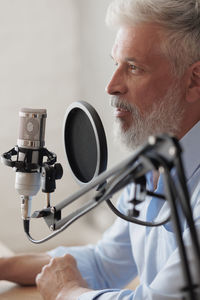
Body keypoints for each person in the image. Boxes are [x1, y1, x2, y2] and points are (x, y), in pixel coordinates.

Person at [1, 0, 200, 299]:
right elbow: (104, 262)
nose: (112, 85)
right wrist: (4, 266)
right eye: (115, 64)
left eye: (134, 67)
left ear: (194, 81)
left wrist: (67, 292)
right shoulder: (149, 166)